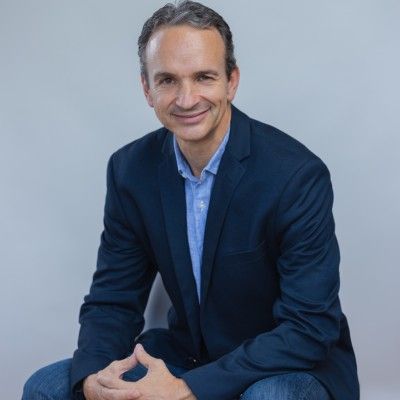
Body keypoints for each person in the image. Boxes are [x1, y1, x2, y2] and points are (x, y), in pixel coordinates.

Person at [23, 1, 359, 399]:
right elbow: (114, 300)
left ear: (231, 81)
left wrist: (188, 389)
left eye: (203, 77)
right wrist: (95, 379)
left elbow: (308, 327)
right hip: (188, 356)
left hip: (280, 366)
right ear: (147, 89)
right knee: (46, 387)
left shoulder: (295, 176)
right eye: (167, 80)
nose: (186, 99)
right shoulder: (131, 171)